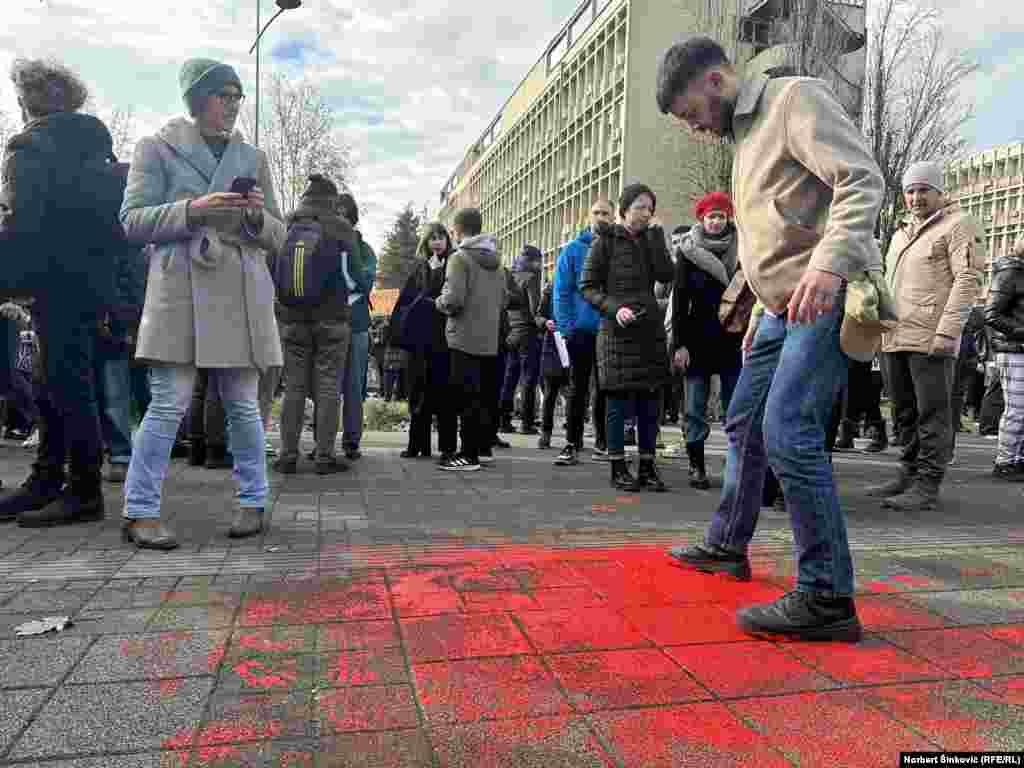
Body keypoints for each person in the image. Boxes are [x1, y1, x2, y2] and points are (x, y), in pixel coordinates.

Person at [659, 36, 886, 641]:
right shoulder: (744, 140)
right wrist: (760, 302)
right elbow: (776, 231)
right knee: (743, 422)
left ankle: (827, 596)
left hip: (824, 294)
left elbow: (861, 179)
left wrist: (830, 265)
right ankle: (729, 545)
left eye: (690, 114)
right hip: (778, 307)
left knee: (790, 432)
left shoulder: (793, 100)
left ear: (714, 82)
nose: (693, 128)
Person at [119, 57, 285, 549]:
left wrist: (255, 217)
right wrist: (192, 210)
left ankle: (255, 502)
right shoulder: (156, 147)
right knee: (167, 403)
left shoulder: (253, 159)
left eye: (238, 96)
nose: (233, 105)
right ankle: (140, 510)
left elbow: (277, 233)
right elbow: (131, 221)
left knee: (243, 406)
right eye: (223, 95)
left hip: (240, 286)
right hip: (180, 286)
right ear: (197, 99)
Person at [0, 59, 121, 528]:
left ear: (25, 101)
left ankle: (81, 490)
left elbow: (20, 224)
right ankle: (49, 479)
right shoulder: (96, 148)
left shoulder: (27, 148)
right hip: (91, 282)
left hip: (46, 282)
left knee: (62, 387)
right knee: (73, 381)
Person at [868, 161, 984, 510]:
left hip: (931, 337)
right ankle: (907, 472)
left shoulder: (959, 224)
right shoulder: (902, 231)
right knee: (902, 411)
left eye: (923, 190)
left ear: (939, 192)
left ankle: (928, 484)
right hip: (895, 336)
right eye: (910, 190)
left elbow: (967, 279)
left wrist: (948, 332)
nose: (916, 197)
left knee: (932, 413)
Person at [580, 183, 674, 492]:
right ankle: (618, 466)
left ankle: (647, 465)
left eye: (649, 208)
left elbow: (665, 274)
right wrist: (614, 308)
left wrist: (658, 237)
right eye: (639, 207)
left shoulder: (651, 238)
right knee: (618, 400)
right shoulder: (605, 242)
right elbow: (589, 287)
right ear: (624, 210)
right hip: (616, 332)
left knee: (650, 401)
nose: (645, 214)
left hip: (649, 331)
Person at [271, 174, 355, 476]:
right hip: (331, 321)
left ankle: (287, 456)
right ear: (332, 201)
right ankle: (323, 456)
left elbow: (273, 272)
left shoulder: (286, 226)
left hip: (293, 321)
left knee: (293, 387)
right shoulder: (341, 229)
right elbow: (354, 277)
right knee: (329, 386)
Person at [671, 191, 742, 490]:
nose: (715, 222)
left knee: (736, 407)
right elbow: (679, 302)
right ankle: (696, 463)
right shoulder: (688, 252)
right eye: (711, 216)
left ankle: (737, 463)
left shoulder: (742, 250)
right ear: (701, 219)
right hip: (697, 337)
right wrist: (679, 344)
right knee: (695, 407)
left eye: (721, 216)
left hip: (732, 338)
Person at [435, 208, 504, 472]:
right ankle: (482, 450)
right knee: (484, 397)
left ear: (459, 230)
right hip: (489, 339)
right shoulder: (496, 261)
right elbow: (503, 300)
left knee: (466, 398)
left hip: (463, 338)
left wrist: (439, 302)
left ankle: (467, 455)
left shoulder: (459, 259)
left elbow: (453, 300)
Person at [552, 198, 614, 467]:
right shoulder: (573, 251)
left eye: (606, 213)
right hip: (581, 330)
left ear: (614, 217)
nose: (601, 217)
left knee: (606, 388)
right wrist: (567, 326)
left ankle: (602, 441)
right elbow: (562, 290)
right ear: (589, 217)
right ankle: (572, 441)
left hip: (610, 330)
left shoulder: (618, 249)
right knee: (578, 387)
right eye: (597, 212)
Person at [394, 222, 458, 461]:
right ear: (426, 242)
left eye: (441, 237)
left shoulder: (455, 265)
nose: (437, 242)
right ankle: (417, 445)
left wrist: (436, 275)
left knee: (445, 395)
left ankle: (447, 447)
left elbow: (447, 299)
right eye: (432, 238)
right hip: (421, 341)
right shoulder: (419, 267)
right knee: (418, 393)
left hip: (445, 340)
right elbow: (411, 302)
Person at [338, 192, 377, 461]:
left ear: (352, 219)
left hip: (357, 325)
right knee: (325, 387)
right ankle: (323, 440)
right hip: (328, 323)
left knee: (353, 387)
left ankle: (352, 441)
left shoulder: (364, 249)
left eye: (344, 216)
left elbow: (364, 282)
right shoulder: (325, 244)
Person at [984, 238, 1024, 480]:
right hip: (1013, 349)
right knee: (1017, 410)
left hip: (1017, 347)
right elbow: (991, 314)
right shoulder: (1011, 272)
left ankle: (1016, 459)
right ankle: (1005, 461)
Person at [502, 245, 544, 435]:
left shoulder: (510, 276)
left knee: (509, 378)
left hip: (510, 332)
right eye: (539, 260)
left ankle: (503, 420)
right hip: (527, 333)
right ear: (534, 260)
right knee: (529, 378)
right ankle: (526, 423)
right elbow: (535, 307)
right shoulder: (531, 278)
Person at [537, 279, 570, 450]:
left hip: (571, 341)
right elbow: (538, 316)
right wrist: (545, 322)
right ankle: (546, 434)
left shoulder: (577, 287)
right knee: (550, 393)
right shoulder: (549, 289)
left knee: (571, 393)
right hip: (552, 344)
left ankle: (573, 437)